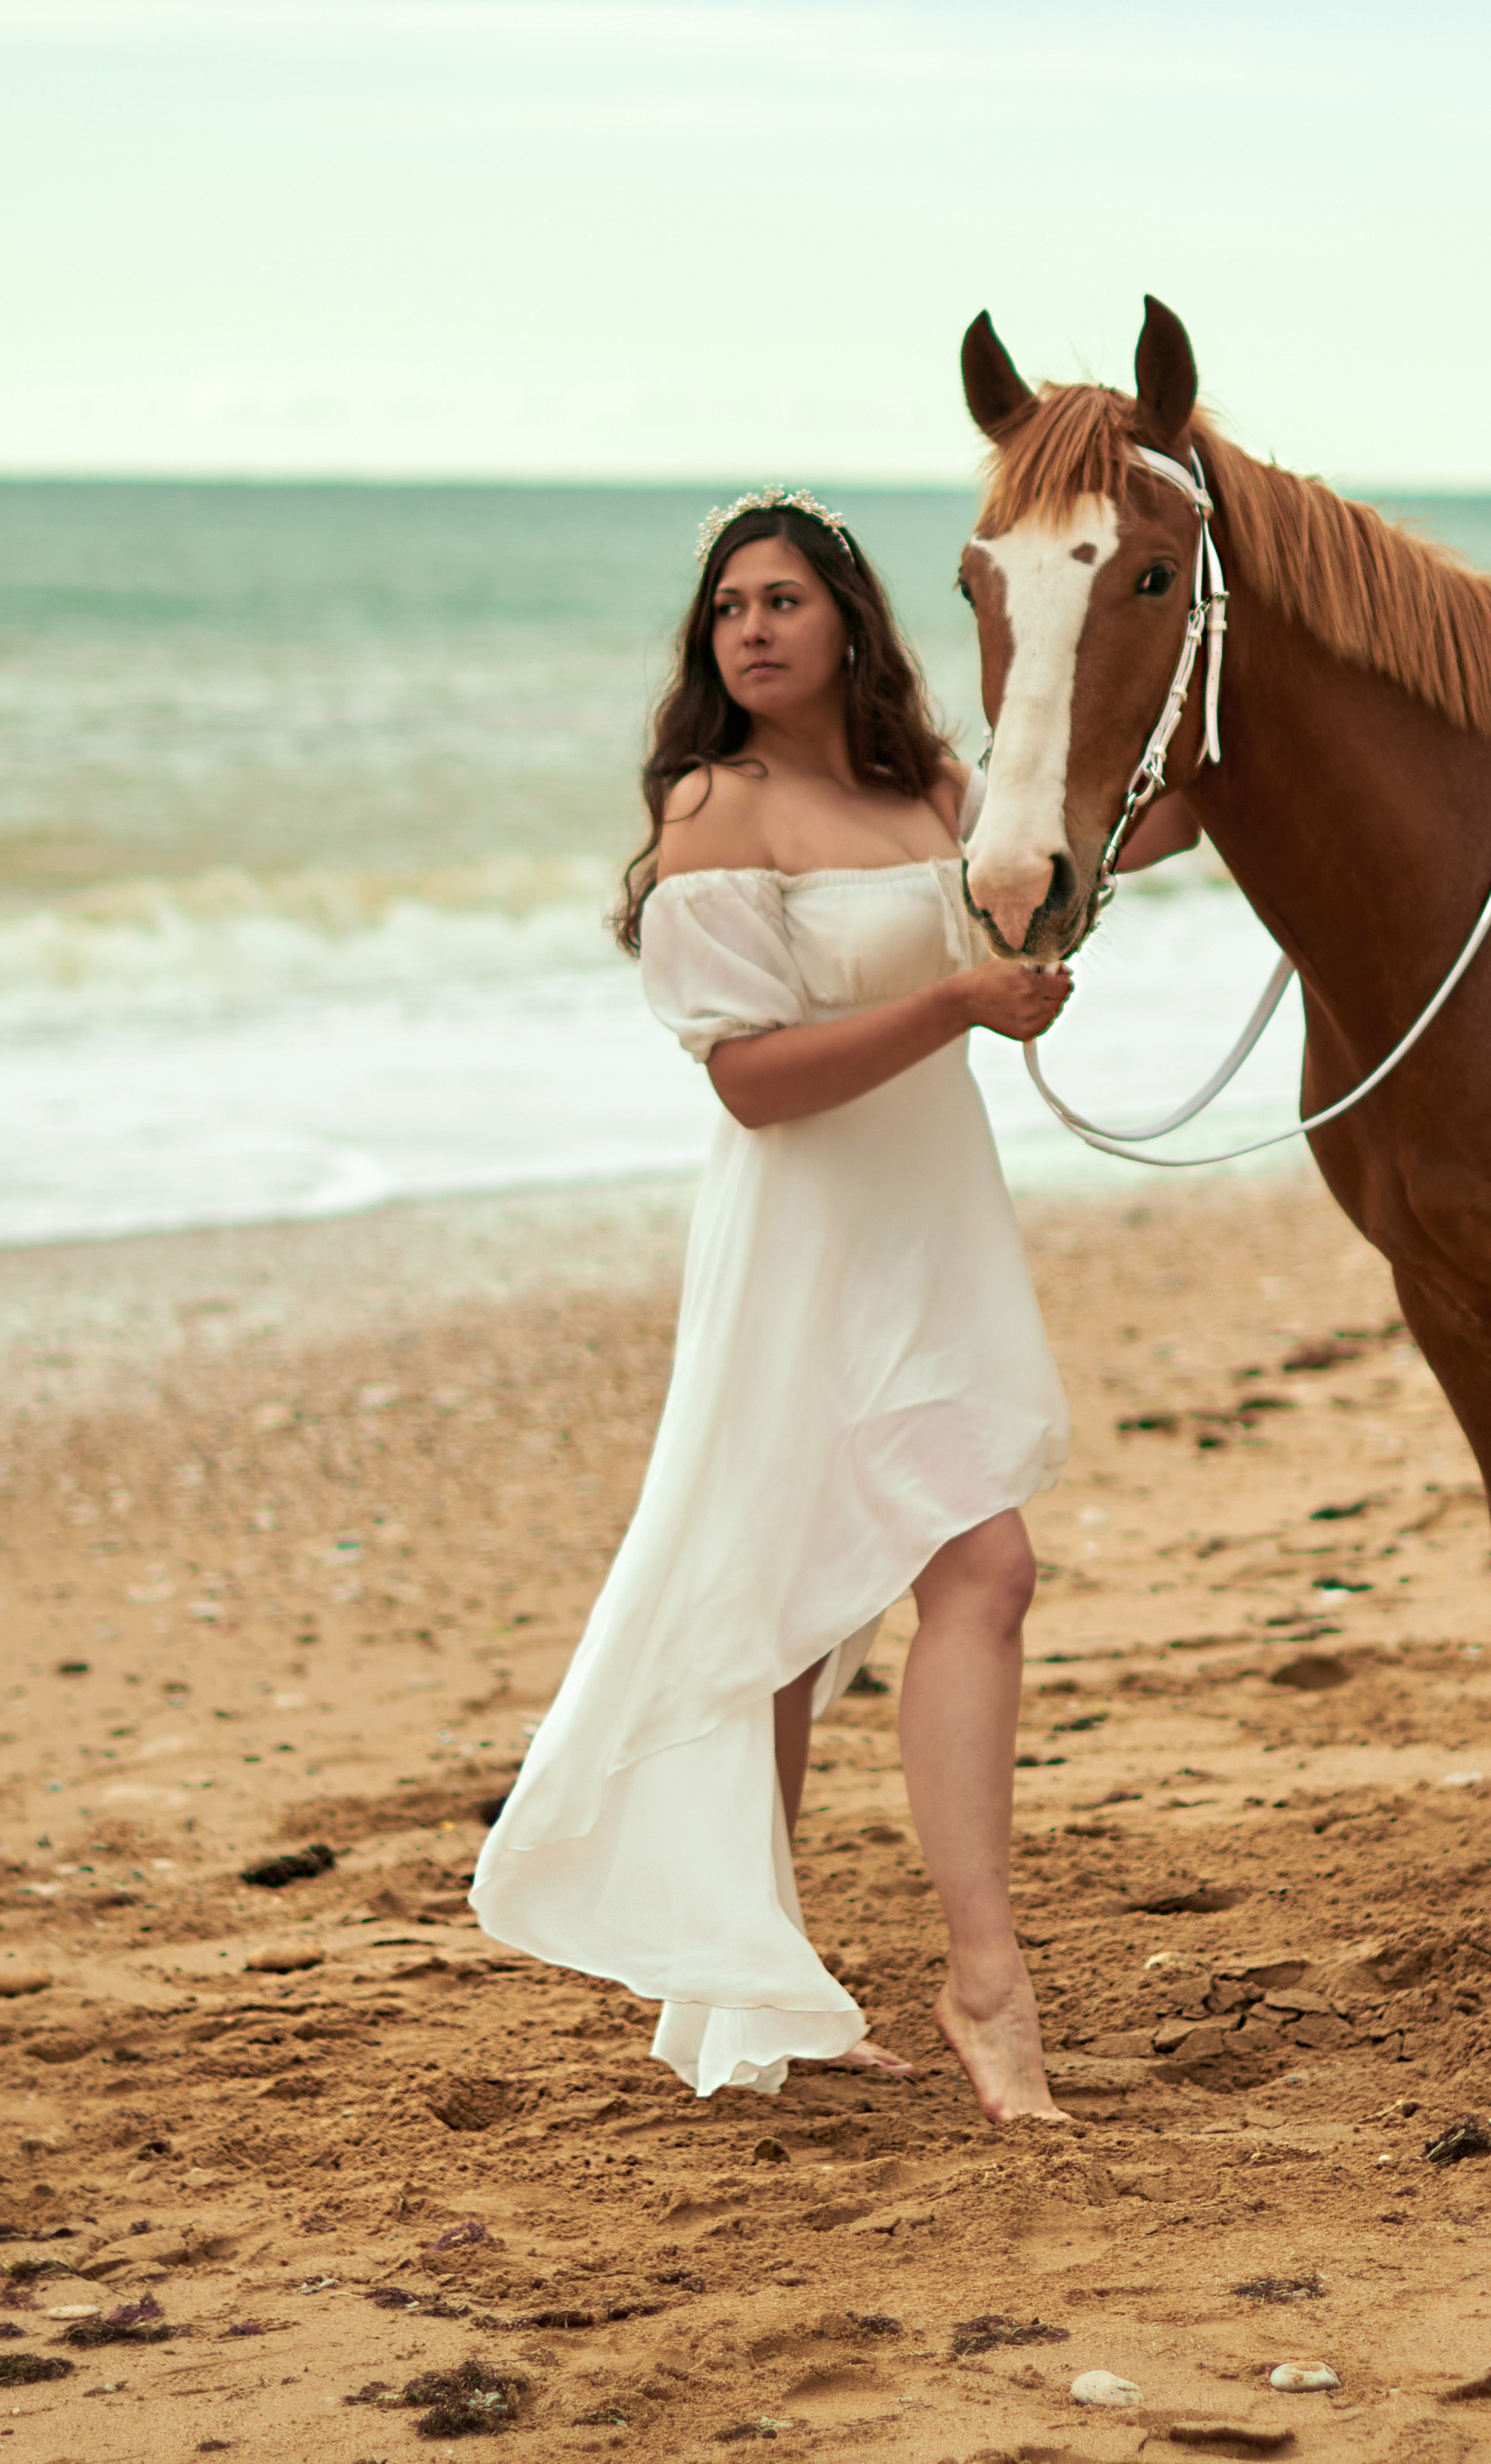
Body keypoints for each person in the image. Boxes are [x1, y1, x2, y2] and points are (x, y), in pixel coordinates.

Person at [470, 488, 1189, 2126]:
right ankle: (819, 1985)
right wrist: (958, 1001)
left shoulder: (933, 785)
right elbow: (752, 1084)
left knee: (976, 1572)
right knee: (783, 1625)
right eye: (730, 607)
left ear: (850, 621)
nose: (753, 629)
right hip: (803, 1250)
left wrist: (1197, 758)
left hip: (935, 1233)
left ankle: (960, 1981)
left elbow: (1088, 855)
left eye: (783, 600)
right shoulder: (717, 807)